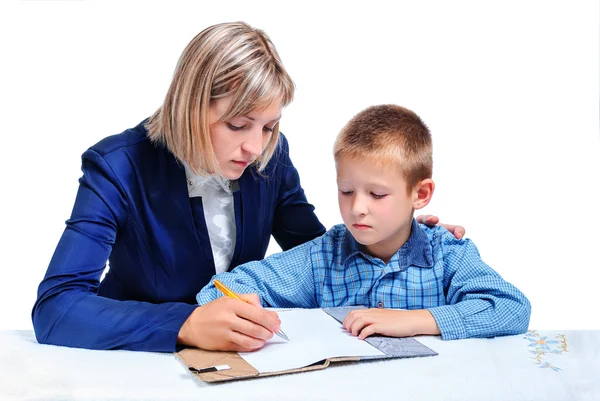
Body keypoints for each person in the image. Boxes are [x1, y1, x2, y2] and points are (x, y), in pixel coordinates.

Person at [32, 22, 464, 353]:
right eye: (238, 125)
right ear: (190, 106)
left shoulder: (269, 156)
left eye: (269, 127)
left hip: (253, 358)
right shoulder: (116, 166)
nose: (255, 146)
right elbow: (56, 308)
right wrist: (183, 324)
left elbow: (324, 259)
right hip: (141, 364)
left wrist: (396, 237)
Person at [196, 104, 531, 341]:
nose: (357, 208)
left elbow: (512, 308)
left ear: (421, 194)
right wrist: (241, 310)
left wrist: (416, 321)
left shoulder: (447, 254)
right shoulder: (323, 258)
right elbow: (221, 290)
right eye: (346, 191)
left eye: (377, 194)